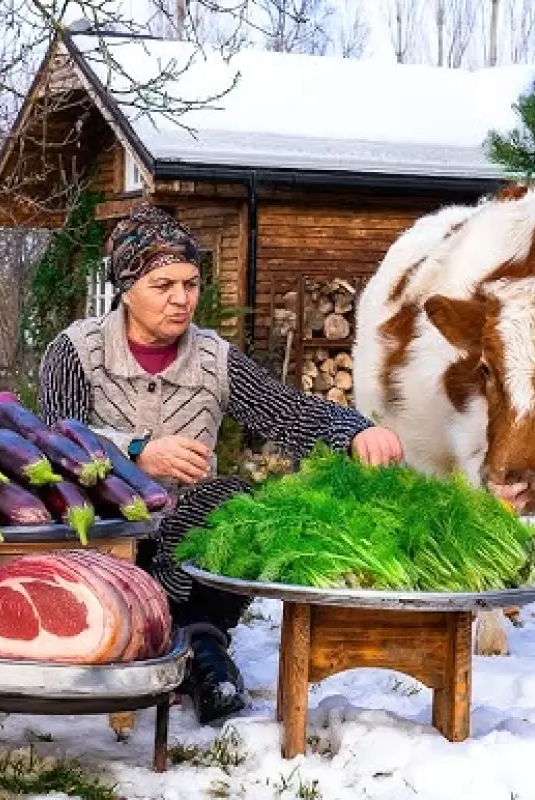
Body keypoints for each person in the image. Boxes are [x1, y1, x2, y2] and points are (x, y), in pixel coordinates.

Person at [38, 204, 403, 724]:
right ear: (125, 286)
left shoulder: (214, 357)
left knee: (234, 500)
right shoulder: (75, 351)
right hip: (98, 527)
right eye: (162, 285)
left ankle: (202, 646)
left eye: (190, 283)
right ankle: (177, 646)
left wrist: (357, 431)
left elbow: (289, 413)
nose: (182, 299)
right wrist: (138, 450)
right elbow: (55, 440)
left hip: (183, 528)